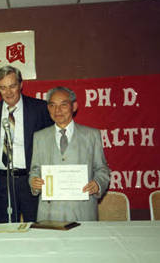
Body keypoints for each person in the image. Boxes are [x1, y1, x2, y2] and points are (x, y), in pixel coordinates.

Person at [0, 65, 53, 223]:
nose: (8, 92)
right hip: (1, 183)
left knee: (35, 230)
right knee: (4, 233)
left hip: (30, 181)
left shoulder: (39, 109)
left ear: (21, 84)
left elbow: (50, 144)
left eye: (12, 86)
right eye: (3, 87)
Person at [29, 86, 110, 221]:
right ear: (48, 108)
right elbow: (35, 169)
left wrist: (98, 183)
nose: (57, 110)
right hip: (49, 214)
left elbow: (102, 169)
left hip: (82, 211)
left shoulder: (91, 135)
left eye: (63, 105)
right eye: (52, 105)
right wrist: (33, 181)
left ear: (74, 106)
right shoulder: (39, 137)